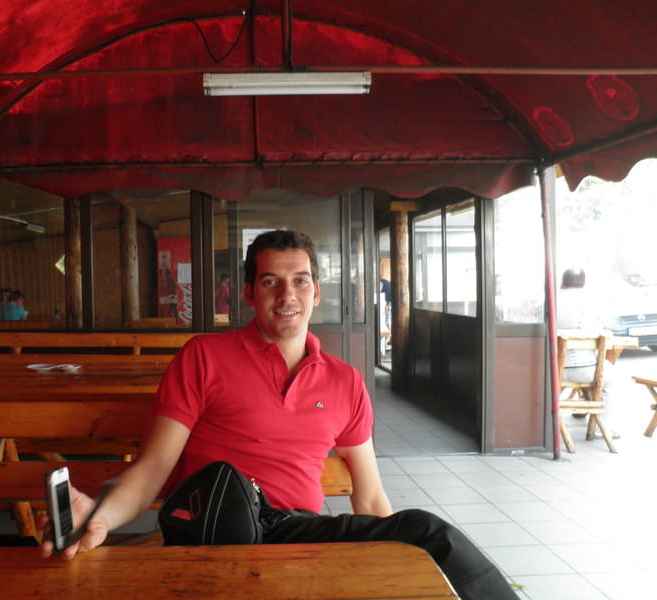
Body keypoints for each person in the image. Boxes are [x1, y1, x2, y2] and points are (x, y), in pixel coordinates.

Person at [40, 230, 516, 599]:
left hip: (298, 536)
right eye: (271, 281)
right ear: (249, 293)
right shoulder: (204, 357)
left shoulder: (346, 381)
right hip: (217, 531)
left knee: (426, 536)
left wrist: (396, 560)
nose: (287, 294)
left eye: (300, 280)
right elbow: (152, 471)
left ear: (316, 292)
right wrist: (100, 517)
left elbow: (370, 497)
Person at [556, 268, 620, 435]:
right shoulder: (593, 303)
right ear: (583, 283)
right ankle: (598, 428)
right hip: (586, 371)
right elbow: (603, 329)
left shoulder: (551, 300)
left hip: (552, 371)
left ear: (562, 281)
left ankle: (549, 425)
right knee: (610, 381)